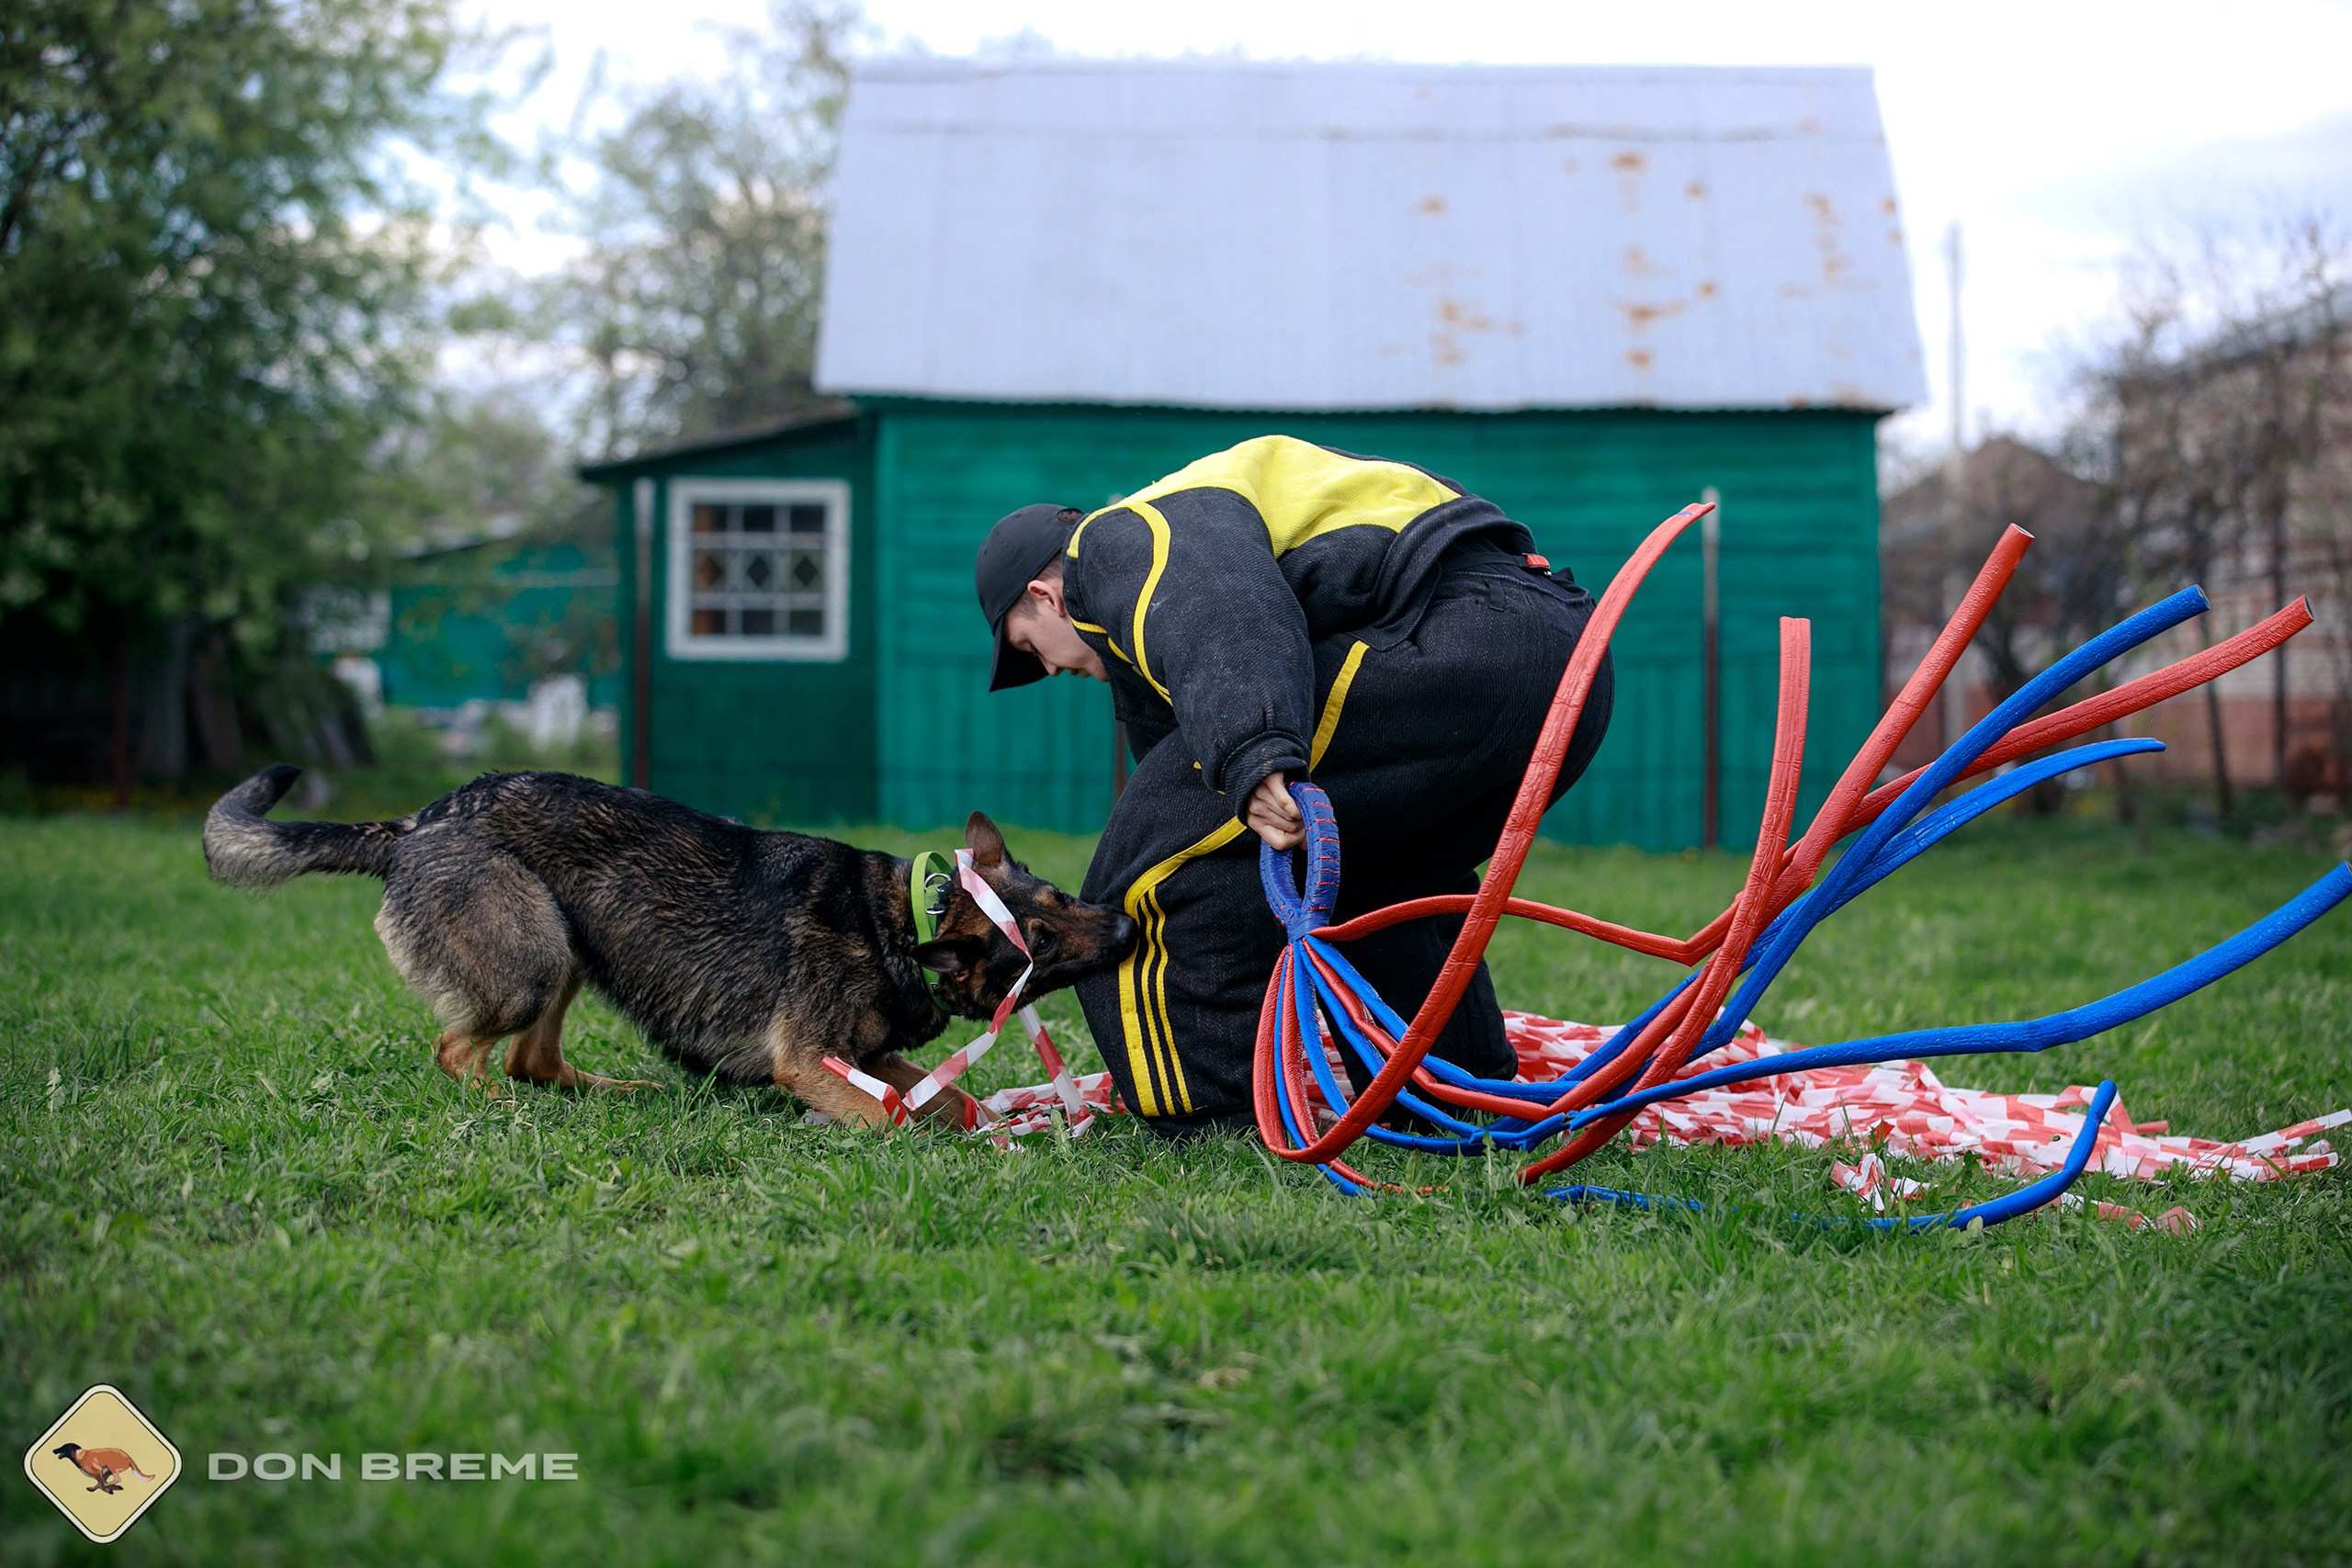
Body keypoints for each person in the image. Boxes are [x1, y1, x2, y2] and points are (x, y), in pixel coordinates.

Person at [975, 434, 1612, 1136]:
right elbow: (1179, 764)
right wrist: (1234, 772)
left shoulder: (1114, 538)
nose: (1051, 671)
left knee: (1142, 876)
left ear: (1046, 596)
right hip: (1562, 658)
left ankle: (1213, 1118)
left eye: (1031, 647)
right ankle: (1448, 1097)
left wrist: (1254, 751)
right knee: (1380, 873)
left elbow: (1220, 601)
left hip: (1468, 634)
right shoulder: (1153, 596)